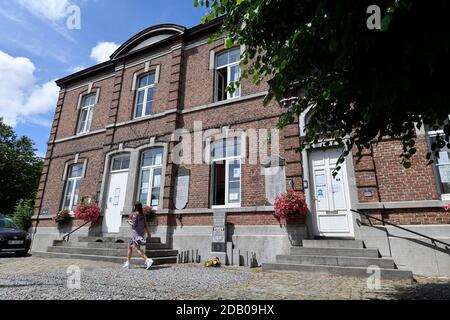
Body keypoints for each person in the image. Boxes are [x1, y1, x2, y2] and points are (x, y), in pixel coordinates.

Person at [122, 203, 154, 270]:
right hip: (141, 233)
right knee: (130, 246)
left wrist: (128, 221)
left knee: (137, 249)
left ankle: (147, 260)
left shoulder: (135, 214)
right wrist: (148, 233)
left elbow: (134, 224)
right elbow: (145, 225)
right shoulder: (143, 214)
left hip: (136, 234)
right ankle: (127, 262)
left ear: (135, 207)